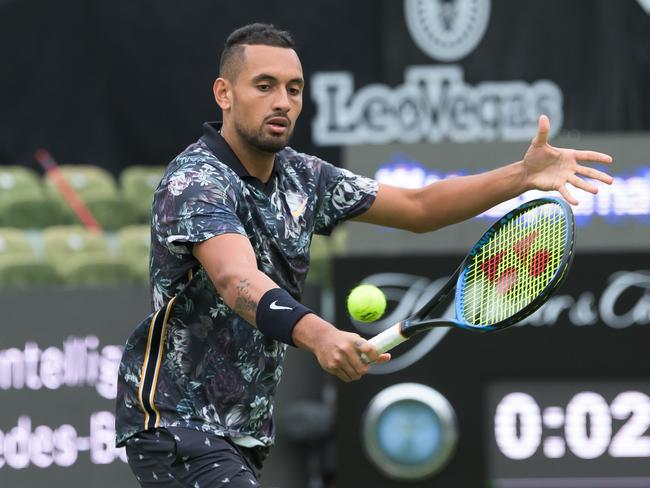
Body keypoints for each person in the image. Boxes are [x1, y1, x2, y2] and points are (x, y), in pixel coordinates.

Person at [115, 22, 613, 488]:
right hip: (175, 423)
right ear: (224, 94)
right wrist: (322, 334)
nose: (282, 101)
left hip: (243, 432)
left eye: (293, 88)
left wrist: (520, 177)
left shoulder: (305, 178)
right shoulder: (196, 181)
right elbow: (236, 280)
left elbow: (419, 207)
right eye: (263, 85)